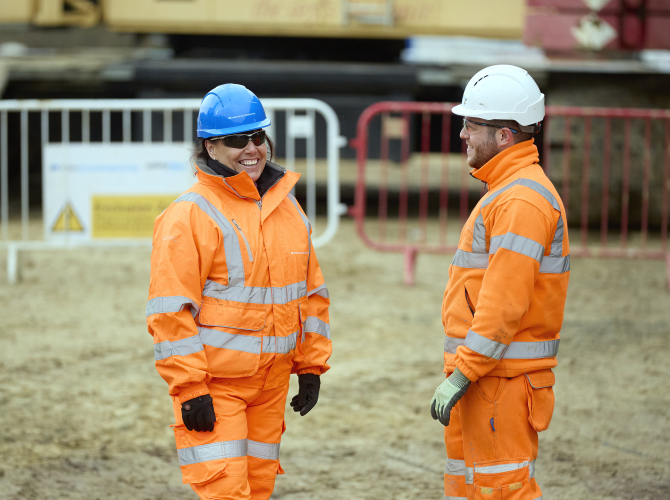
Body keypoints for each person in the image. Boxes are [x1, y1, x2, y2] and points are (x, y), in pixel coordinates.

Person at [146, 83, 332, 500]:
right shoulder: (187, 215)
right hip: (217, 387)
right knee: (227, 493)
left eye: (257, 137)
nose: (251, 149)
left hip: (272, 385)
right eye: (236, 140)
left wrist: (309, 364)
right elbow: (169, 312)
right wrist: (191, 389)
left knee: (259, 489)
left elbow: (311, 294)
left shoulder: (287, 207)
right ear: (210, 149)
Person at [430, 65, 570, 500]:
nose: (462, 134)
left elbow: (503, 304)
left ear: (505, 135)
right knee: (473, 487)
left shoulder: (520, 200)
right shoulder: (509, 191)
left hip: (499, 382)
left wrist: (464, 372)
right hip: (490, 379)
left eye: (471, 124)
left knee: (501, 491)